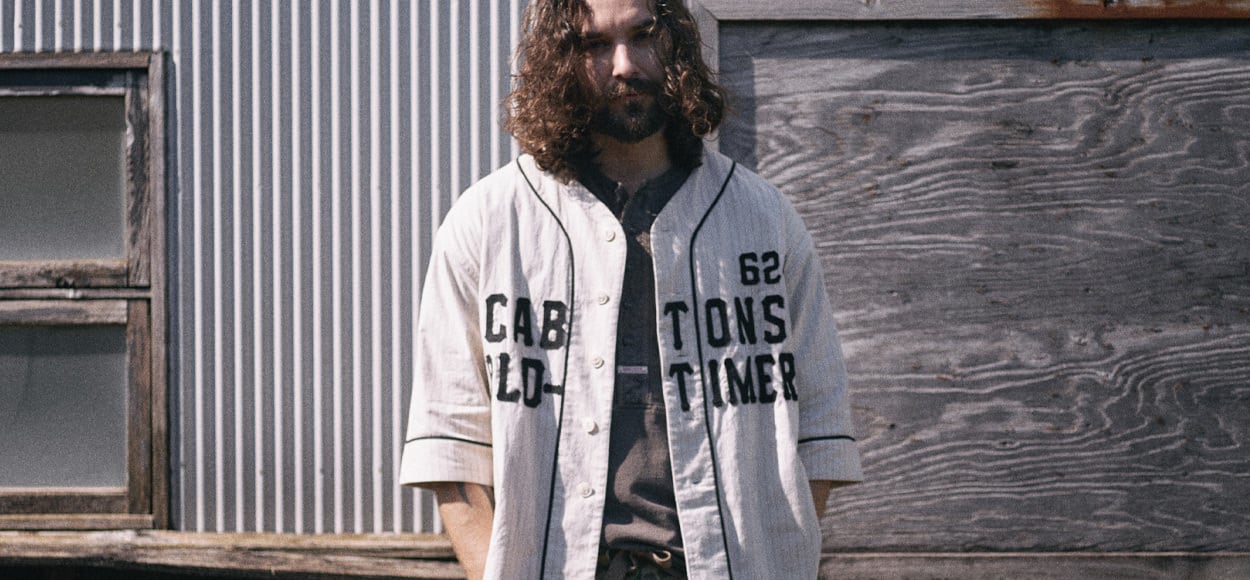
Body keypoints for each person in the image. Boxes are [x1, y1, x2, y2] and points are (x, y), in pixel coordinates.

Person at [399, 0, 863, 577]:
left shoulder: (764, 220)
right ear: (560, 58)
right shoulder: (489, 222)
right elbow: (449, 447)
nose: (624, 65)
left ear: (676, 43)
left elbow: (820, 431)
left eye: (643, 35)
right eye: (595, 44)